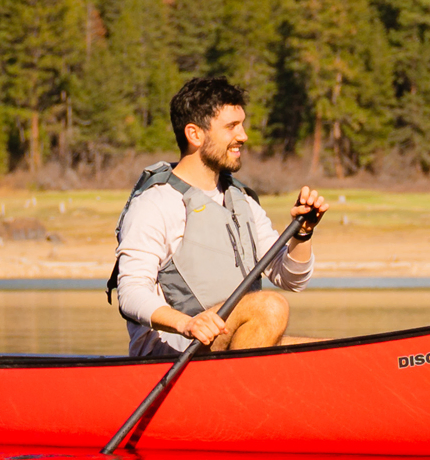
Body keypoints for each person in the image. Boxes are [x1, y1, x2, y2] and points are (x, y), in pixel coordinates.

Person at [110, 76, 327, 357]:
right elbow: (130, 294)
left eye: (242, 124)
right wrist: (187, 324)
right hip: (173, 352)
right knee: (270, 306)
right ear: (195, 134)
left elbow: (291, 279)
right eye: (231, 127)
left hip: (226, 344)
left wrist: (303, 233)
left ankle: (244, 392)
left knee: (335, 356)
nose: (243, 136)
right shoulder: (156, 203)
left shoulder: (242, 200)